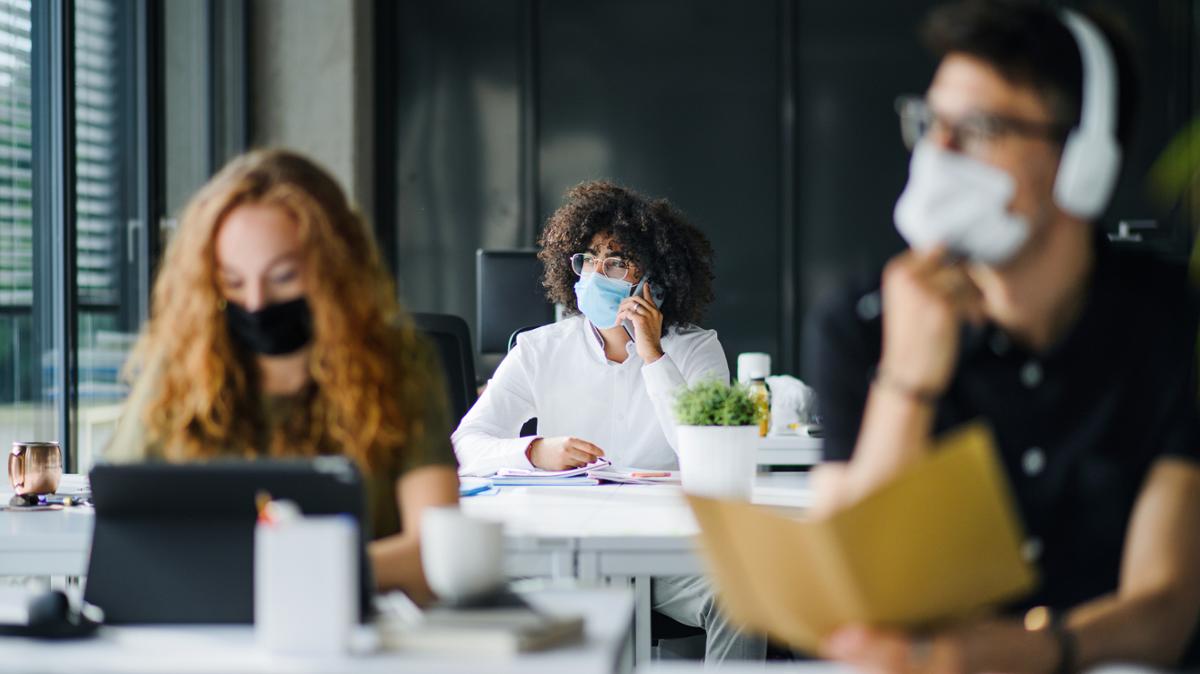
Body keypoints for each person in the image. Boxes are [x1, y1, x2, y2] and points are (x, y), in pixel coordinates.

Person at [806, 1, 1200, 671]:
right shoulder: (861, 319)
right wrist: (909, 376)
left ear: (1083, 161)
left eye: (979, 128)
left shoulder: (1171, 323)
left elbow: (1164, 609)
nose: (938, 153)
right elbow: (850, 596)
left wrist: (1024, 651)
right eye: (930, 122)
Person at [105, 149, 459, 605]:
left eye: (284, 276)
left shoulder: (397, 365)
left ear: (336, 269)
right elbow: (123, 526)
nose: (256, 303)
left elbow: (435, 552)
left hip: (354, 635)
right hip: (201, 636)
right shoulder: (178, 374)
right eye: (232, 282)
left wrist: (298, 575)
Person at [453, 180, 766, 662]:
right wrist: (534, 451)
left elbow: (707, 453)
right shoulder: (540, 348)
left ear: (652, 275)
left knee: (743, 594)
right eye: (588, 258)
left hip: (666, 554)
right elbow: (464, 444)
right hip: (566, 550)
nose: (597, 272)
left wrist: (653, 354)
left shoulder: (698, 348)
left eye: (616, 261)